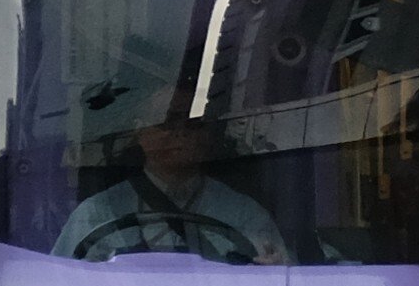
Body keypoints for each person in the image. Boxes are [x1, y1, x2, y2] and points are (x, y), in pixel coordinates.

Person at [51, 109, 284, 266]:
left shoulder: (245, 215)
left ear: (208, 136)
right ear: (140, 133)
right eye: (166, 123)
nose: (180, 134)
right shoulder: (96, 213)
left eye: (193, 125)